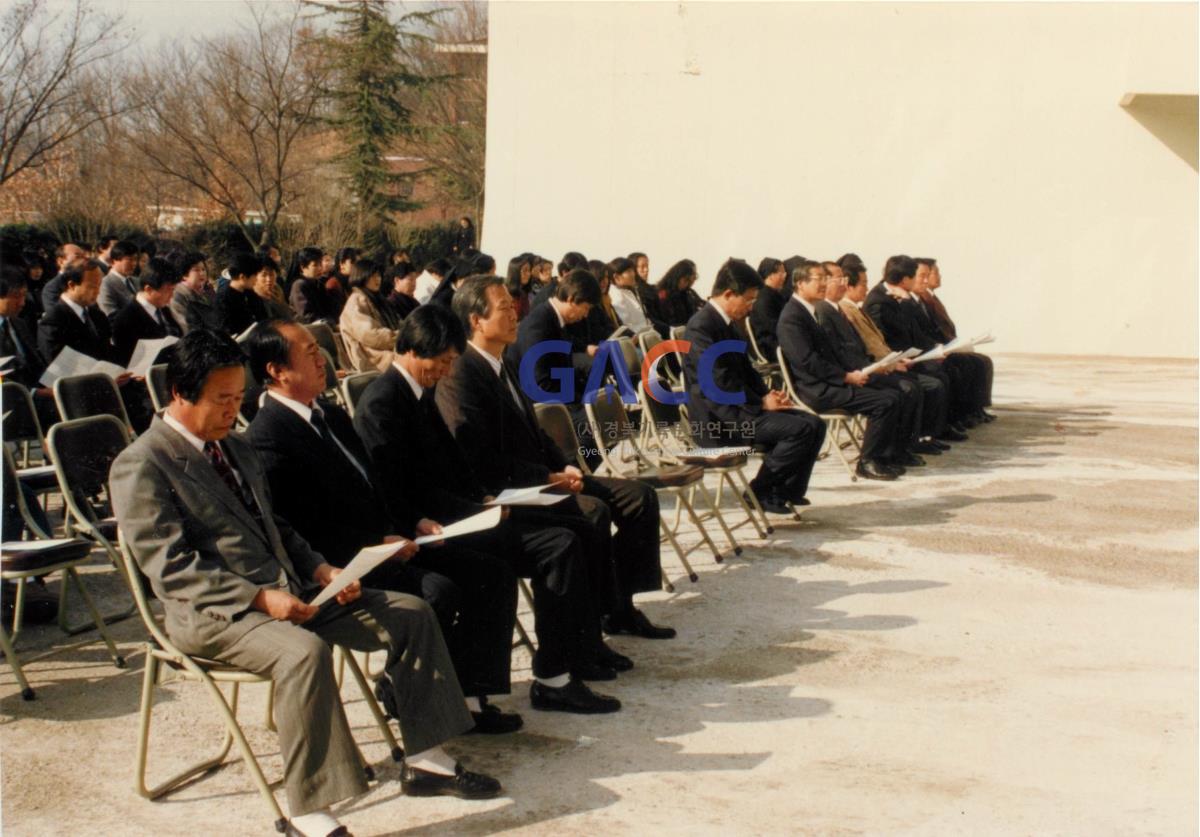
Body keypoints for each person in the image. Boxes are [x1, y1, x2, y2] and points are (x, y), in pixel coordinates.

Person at [111, 330, 502, 837]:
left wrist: (320, 568)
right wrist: (257, 597)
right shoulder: (142, 462)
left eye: (238, 398)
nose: (234, 410)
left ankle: (425, 757)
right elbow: (170, 568)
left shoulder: (231, 444)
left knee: (411, 612)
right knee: (303, 653)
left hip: (287, 587)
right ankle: (307, 811)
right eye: (222, 400)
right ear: (180, 395)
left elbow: (278, 526)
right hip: (215, 612)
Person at [245, 320, 522, 733]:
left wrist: (412, 523)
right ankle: (410, 696)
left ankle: (468, 694)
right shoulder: (267, 435)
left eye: (319, 350)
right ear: (277, 371)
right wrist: (377, 542)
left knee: (492, 573)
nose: (322, 358)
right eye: (310, 352)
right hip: (343, 564)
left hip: (387, 543)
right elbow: (303, 524)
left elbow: (374, 485)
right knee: (437, 593)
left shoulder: (331, 415)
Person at [353, 306, 621, 713]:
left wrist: (482, 499)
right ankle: (544, 678)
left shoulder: (417, 391)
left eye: (449, 363)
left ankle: (563, 662)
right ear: (412, 350)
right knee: (554, 547)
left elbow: (451, 463)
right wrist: (457, 512)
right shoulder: (383, 403)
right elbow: (394, 488)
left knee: (574, 528)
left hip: (457, 513)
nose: (444, 372)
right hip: (429, 528)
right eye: (440, 362)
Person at [442, 275, 674, 641]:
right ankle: (586, 630)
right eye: (504, 309)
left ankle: (619, 607)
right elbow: (482, 459)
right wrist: (546, 476)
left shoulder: (501, 364)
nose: (515, 315)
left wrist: (563, 464)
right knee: (591, 512)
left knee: (639, 498)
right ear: (476, 320)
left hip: (542, 476)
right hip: (511, 492)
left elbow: (535, 430)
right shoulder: (462, 374)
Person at [683, 258, 825, 513]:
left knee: (815, 423)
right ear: (728, 294)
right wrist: (760, 402)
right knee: (799, 430)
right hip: (720, 420)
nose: (750, 308)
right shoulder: (700, 328)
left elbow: (746, 370)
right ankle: (759, 492)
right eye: (748, 300)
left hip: (741, 408)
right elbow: (718, 381)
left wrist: (768, 394)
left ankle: (783, 491)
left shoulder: (726, 324)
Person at [777, 262, 909, 481]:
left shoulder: (809, 310)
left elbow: (832, 353)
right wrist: (846, 377)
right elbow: (808, 361)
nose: (824, 283)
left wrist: (859, 371)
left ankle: (882, 457)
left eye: (825, 278)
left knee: (893, 395)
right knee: (885, 402)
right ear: (800, 284)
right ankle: (867, 463)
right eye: (818, 279)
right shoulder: (792, 316)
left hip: (830, 381)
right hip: (816, 389)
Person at [838, 265, 952, 447]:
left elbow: (880, 342)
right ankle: (909, 442)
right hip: (871, 370)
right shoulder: (848, 309)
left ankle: (917, 439)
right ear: (850, 287)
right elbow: (870, 347)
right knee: (918, 386)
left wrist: (895, 360)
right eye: (863, 283)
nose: (867, 288)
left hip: (886, 363)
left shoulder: (855, 308)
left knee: (929, 381)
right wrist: (891, 364)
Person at [865, 256, 971, 437]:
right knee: (935, 379)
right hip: (895, 359)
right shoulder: (879, 300)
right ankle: (924, 435)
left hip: (907, 355)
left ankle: (936, 430)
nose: (919, 281)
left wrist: (934, 349)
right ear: (905, 279)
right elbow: (890, 337)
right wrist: (906, 301)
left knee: (944, 371)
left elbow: (914, 332)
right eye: (916, 276)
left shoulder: (897, 295)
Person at [914, 258, 994, 423]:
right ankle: (960, 415)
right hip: (935, 350)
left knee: (982, 361)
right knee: (964, 366)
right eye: (934, 273)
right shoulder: (923, 299)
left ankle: (976, 408)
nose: (939, 276)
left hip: (943, 347)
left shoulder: (931, 298)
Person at [0, 266, 58, 428]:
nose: (22, 303)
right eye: (15, 297)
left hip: (35, 393)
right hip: (10, 402)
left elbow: (35, 363)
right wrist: (36, 393)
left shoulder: (18, 323)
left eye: (24, 296)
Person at [110, 257, 183, 367]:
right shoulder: (125, 320)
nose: (172, 296)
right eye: (168, 290)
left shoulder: (164, 309)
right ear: (148, 289)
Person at [339, 258, 403, 372]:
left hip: (387, 350)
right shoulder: (356, 301)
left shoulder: (376, 298)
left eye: (378, 275)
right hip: (373, 357)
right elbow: (370, 335)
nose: (377, 279)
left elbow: (397, 323)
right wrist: (400, 336)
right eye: (372, 276)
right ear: (361, 276)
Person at [216, 253, 268, 337]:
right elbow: (226, 331)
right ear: (242, 277)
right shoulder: (223, 299)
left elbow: (262, 317)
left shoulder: (250, 292)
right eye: (254, 276)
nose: (256, 279)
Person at [169, 251, 221, 334]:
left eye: (203, 269)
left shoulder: (205, 291)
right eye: (196, 270)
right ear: (184, 275)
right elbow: (185, 328)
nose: (202, 273)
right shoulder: (178, 295)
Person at [749, 257, 787, 360]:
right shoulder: (763, 298)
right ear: (770, 275)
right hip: (772, 346)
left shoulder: (774, 294)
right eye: (781, 272)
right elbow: (772, 326)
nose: (785, 275)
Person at [287, 247, 336, 324]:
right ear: (303, 267)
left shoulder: (319, 283)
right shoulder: (299, 285)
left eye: (320, 264)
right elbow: (306, 316)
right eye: (315, 265)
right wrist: (330, 324)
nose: (320, 268)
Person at [39, 242, 89, 312]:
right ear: (61, 261)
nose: (83, 260)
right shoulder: (52, 288)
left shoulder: (87, 282)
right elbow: (55, 316)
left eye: (84, 257)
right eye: (78, 257)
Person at [97, 240, 143, 317]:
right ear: (114, 261)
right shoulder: (105, 284)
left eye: (135, 259)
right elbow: (110, 314)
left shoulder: (137, 281)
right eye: (129, 259)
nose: (134, 263)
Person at [655, 259, 704, 327]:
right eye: (686, 280)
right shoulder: (663, 294)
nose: (688, 285)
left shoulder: (688, 292)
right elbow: (669, 320)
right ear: (678, 277)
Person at [253, 257, 294, 321]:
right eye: (264, 275)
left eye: (271, 274)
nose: (269, 279)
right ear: (255, 276)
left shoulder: (277, 289)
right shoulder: (253, 295)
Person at [504, 254, 536, 321]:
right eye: (525, 270)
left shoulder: (523, 293)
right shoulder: (505, 293)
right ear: (515, 271)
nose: (528, 274)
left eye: (529, 270)